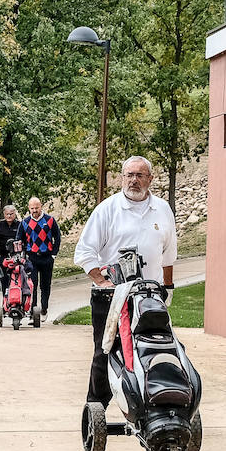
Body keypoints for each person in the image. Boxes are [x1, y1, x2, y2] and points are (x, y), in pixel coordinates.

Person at [73, 156, 178, 406]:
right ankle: (96, 406)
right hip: (112, 297)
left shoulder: (162, 209)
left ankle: (152, 402)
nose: (134, 180)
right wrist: (102, 282)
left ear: (150, 179)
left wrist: (168, 288)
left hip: (149, 297)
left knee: (157, 348)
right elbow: (84, 252)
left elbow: (169, 254)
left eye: (140, 175)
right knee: (105, 351)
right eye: (129, 175)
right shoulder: (107, 210)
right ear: (122, 178)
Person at [20, 197, 61, 316]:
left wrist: (53, 254)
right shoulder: (25, 222)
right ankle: (33, 309)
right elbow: (19, 239)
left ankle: (44, 308)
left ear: (41, 206)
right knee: (32, 284)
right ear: (29, 208)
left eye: (36, 208)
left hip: (46, 256)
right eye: (32, 208)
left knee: (45, 284)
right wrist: (23, 255)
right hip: (31, 257)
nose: (34, 210)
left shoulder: (50, 220)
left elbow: (57, 237)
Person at [0, 205, 22, 294]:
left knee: (16, 275)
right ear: (4, 215)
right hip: (3, 255)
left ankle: (16, 294)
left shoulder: (19, 225)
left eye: (11, 214)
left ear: (14, 214)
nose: (9, 216)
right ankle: (5, 294)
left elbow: (24, 239)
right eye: (7, 214)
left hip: (16, 255)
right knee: (3, 276)